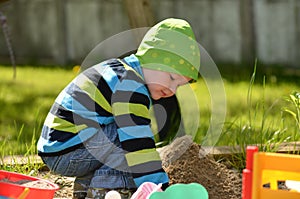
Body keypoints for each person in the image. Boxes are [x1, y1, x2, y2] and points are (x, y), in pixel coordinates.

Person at [37, 18, 200, 199]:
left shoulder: (121, 71)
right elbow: (139, 146)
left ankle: (86, 189)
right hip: (67, 151)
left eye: (179, 85)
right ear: (151, 60)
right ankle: (106, 190)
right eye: (171, 77)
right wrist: (159, 187)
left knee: (120, 131)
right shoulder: (130, 86)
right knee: (130, 140)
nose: (172, 90)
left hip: (60, 148)